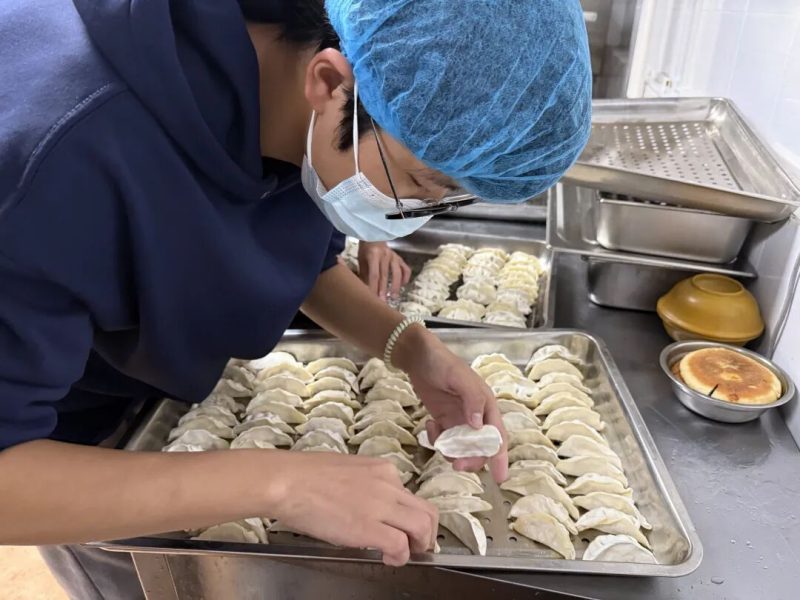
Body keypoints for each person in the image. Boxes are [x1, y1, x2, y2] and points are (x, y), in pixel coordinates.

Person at [0, 0, 591, 597]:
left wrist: (413, 350)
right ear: (329, 82)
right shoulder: (55, 161)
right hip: (54, 454)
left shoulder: (308, 86)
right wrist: (277, 484)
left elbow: (299, 260)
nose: (416, 215)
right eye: (419, 184)